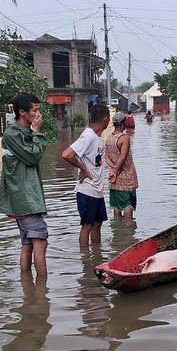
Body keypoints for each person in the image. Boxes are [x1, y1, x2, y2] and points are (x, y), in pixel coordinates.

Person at [0, 93, 49, 276]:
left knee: (28, 243)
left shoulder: (23, 133)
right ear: (22, 112)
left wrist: (34, 133)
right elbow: (33, 156)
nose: (38, 114)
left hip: (27, 198)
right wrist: (37, 133)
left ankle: (29, 292)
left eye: (38, 110)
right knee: (40, 242)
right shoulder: (11, 135)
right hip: (25, 199)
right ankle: (43, 295)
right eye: (34, 110)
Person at [61, 103, 111, 246]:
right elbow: (67, 154)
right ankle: (85, 261)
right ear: (106, 120)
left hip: (97, 191)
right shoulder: (88, 136)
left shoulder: (97, 138)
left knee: (97, 224)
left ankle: (96, 255)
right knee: (87, 226)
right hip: (87, 190)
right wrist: (83, 169)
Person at [106, 111, 139, 220]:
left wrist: (113, 170)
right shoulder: (124, 138)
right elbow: (123, 157)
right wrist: (116, 170)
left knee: (116, 207)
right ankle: (128, 234)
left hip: (114, 180)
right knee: (128, 206)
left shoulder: (109, 138)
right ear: (122, 124)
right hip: (127, 178)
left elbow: (106, 158)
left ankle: (118, 234)